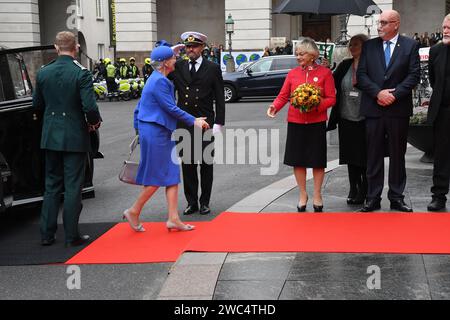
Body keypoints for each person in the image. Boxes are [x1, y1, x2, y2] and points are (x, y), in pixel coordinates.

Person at [123, 45, 209, 232]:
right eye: (172, 58)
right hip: (156, 132)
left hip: (156, 131)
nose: (176, 60)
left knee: (171, 175)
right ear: (164, 63)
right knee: (157, 176)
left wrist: (139, 129)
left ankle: (173, 218)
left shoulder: (156, 78)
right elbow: (171, 108)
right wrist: (194, 120)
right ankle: (134, 210)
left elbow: (139, 108)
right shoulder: (159, 82)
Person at [32, 31, 102, 247]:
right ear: (76, 47)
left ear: (56, 47)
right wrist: (94, 122)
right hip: (74, 135)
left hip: (51, 135)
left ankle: (47, 234)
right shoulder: (80, 73)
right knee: (73, 186)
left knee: (51, 185)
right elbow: (89, 106)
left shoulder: (43, 72)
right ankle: (72, 235)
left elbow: (37, 106)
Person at [356, 10, 420, 212]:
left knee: (397, 154)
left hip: (398, 109)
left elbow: (414, 75)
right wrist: (378, 94)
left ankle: (396, 196)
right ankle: (372, 197)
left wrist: (394, 95)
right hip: (374, 109)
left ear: (396, 24)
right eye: (379, 22)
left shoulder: (410, 45)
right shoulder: (369, 46)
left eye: (384, 23)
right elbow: (362, 75)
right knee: (373, 154)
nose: (379, 26)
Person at [267, 37, 336, 212]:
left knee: (317, 161)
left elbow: (331, 98)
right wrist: (274, 106)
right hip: (296, 122)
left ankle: (318, 195)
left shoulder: (325, 73)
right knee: (298, 160)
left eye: (302, 53)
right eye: (297, 53)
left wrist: (316, 105)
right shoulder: (293, 73)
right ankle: (303, 194)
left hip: (316, 122)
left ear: (312, 55)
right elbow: (283, 95)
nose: (298, 57)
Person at [169, 31, 225, 216]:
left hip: (206, 122)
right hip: (185, 122)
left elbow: (219, 97)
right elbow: (159, 74)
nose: (190, 49)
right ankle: (191, 202)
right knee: (188, 164)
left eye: (194, 46)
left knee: (206, 163)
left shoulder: (212, 68)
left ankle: (205, 202)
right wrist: (169, 53)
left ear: (202, 47)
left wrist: (219, 123)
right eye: (187, 46)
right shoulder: (178, 66)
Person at [328, 34, 369, 205]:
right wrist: (325, 68)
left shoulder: (372, 65)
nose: (352, 47)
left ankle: (365, 190)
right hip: (346, 117)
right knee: (350, 157)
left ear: (365, 46)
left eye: (356, 44)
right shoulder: (345, 65)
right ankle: (354, 187)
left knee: (365, 158)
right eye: (350, 44)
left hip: (366, 119)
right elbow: (330, 81)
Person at [426, 14, 450, 211]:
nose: (445, 30)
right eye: (444, 26)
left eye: (449, 27)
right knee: (441, 156)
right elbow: (433, 81)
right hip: (442, 111)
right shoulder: (435, 50)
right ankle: (439, 196)